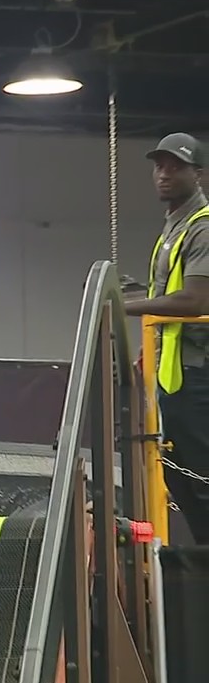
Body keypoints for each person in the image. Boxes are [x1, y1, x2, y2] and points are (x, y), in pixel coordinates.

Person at [124, 131, 209, 543]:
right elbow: (165, 297)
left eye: (176, 166)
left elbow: (194, 300)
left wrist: (127, 307)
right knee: (181, 478)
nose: (164, 173)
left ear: (199, 173)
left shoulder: (202, 227)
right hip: (173, 377)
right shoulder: (173, 229)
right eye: (160, 165)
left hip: (197, 376)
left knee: (199, 478)